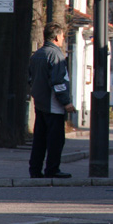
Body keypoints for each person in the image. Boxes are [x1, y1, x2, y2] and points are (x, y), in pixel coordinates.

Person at [28, 22, 75, 179]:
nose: (62, 38)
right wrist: (66, 102)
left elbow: (30, 78)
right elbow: (58, 81)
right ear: (56, 37)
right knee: (56, 139)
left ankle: (35, 170)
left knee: (39, 139)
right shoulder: (56, 55)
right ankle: (52, 169)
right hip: (53, 104)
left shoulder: (38, 54)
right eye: (62, 35)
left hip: (40, 103)